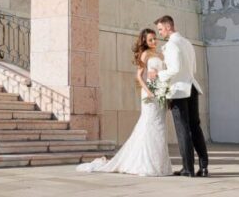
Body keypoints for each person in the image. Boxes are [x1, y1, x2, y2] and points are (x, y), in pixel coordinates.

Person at [77, 29, 172, 176]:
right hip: (149, 93)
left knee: (160, 126)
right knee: (149, 124)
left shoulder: (159, 54)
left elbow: (163, 74)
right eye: (150, 40)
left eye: (155, 39)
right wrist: (148, 91)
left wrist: (164, 90)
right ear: (145, 42)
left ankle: (160, 165)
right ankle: (146, 164)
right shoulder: (145, 54)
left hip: (160, 93)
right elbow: (139, 76)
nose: (154, 42)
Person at [150, 15, 209, 177]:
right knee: (195, 128)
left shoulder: (172, 45)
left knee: (183, 130)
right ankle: (203, 167)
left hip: (179, 91)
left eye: (161, 29)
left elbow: (174, 69)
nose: (160, 33)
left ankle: (188, 168)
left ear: (168, 27)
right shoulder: (187, 43)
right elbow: (193, 68)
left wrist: (158, 74)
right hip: (192, 87)